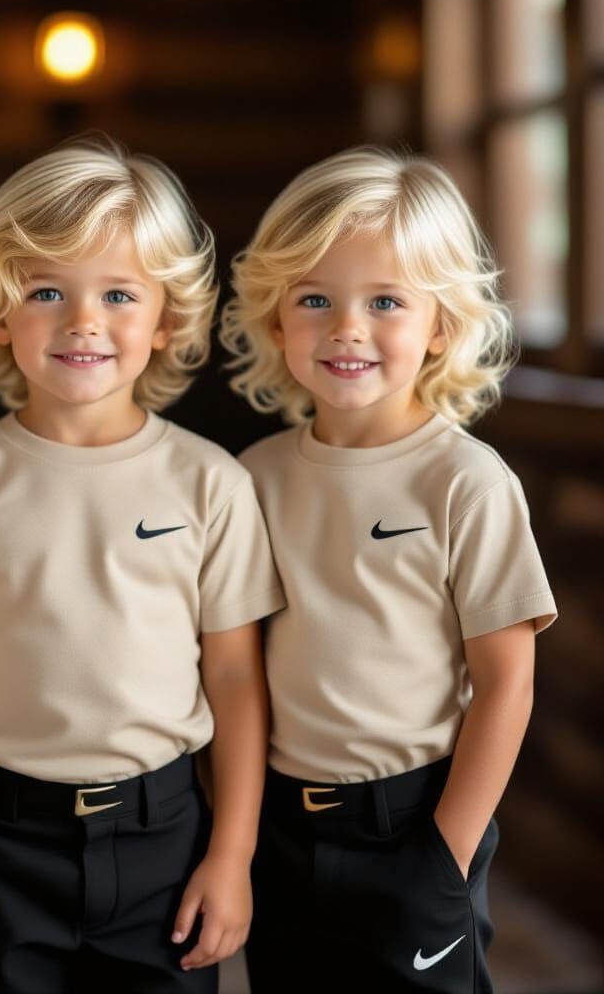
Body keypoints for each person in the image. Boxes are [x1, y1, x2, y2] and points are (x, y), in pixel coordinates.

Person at [0, 135, 285, 993]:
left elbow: (233, 679)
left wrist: (232, 856)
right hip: (2, 837)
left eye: (118, 294)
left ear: (166, 321)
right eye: (47, 292)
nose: (83, 321)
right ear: (0, 316)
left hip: (168, 838)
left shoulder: (210, 483)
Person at [221, 145, 558, 992]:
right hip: (280, 829)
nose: (347, 328)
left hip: (415, 824)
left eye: (385, 302)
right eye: (315, 300)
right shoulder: (250, 478)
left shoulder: (467, 482)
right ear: (275, 320)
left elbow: (507, 685)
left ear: (440, 324)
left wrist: (444, 859)